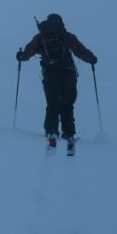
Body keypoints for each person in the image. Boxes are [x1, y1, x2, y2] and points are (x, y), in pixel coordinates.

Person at [16, 13, 98, 150]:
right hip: (68, 73)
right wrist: (92, 59)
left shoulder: (41, 36)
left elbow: (28, 52)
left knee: (52, 104)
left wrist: (21, 56)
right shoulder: (66, 36)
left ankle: (51, 131)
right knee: (67, 104)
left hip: (50, 73)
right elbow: (79, 50)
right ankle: (69, 133)